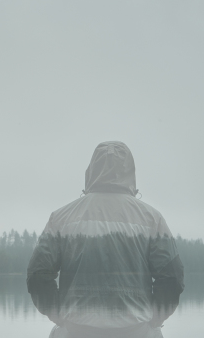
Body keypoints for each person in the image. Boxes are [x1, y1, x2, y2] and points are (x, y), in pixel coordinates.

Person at [27, 141, 184, 338]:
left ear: (91, 172)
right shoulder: (152, 219)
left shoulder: (61, 218)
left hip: (76, 330)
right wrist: (154, 321)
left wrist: (59, 316)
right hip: (136, 331)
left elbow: (37, 275)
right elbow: (172, 277)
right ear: (130, 173)